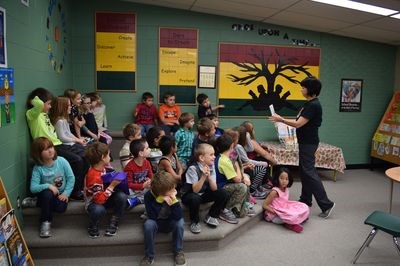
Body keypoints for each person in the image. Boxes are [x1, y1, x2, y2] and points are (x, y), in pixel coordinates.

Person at [269, 77, 335, 218]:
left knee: (309, 172)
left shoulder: (313, 105)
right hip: (306, 142)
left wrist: (281, 119)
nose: (301, 89)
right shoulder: (309, 104)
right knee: (305, 171)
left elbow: (298, 124)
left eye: (303, 87)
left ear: (310, 89)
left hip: (309, 143)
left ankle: (326, 204)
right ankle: (306, 199)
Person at [26, 88, 86, 201]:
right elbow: (38, 104)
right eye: (48, 104)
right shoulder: (32, 115)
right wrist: (35, 99)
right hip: (47, 147)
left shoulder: (44, 115)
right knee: (77, 160)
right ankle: (74, 192)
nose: (50, 106)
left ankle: (81, 187)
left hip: (57, 144)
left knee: (85, 156)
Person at [181, 144, 237, 234]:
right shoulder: (193, 168)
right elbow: (195, 190)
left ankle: (212, 216)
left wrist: (209, 177)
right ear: (202, 158)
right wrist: (203, 176)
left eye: (214, 154)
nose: (214, 157)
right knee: (195, 198)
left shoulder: (211, 166)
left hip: (202, 194)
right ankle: (194, 222)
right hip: (189, 195)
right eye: (211, 155)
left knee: (223, 193)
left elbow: (214, 188)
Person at [29, 137, 75, 238]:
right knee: (47, 194)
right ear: (38, 154)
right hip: (47, 194)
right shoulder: (38, 168)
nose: (50, 150)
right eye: (46, 149)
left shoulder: (62, 161)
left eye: (51, 147)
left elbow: (71, 178)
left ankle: (37, 202)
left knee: (61, 208)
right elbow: (33, 188)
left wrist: (66, 193)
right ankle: (45, 222)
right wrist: (48, 186)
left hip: (60, 194)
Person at [140, 170, 185, 266]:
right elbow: (152, 216)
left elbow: (178, 216)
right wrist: (159, 200)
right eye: (171, 189)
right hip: (156, 222)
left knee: (180, 222)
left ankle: (178, 252)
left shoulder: (172, 193)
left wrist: (174, 202)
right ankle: (149, 256)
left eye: (173, 187)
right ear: (161, 192)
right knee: (148, 224)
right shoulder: (148, 195)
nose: (174, 190)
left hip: (169, 222)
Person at [84, 142, 127, 238]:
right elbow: (99, 200)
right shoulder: (93, 175)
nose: (110, 157)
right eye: (108, 155)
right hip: (94, 202)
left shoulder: (102, 167)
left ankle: (114, 221)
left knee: (122, 197)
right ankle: (93, 224)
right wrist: (112, 186)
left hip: (105, 196)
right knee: (98, 210)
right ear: (103, 158)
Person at [215, 134, 252, 218]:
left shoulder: (222, 157)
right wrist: (236, 163)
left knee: (245, 179)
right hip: (220, 187)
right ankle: (226, 210)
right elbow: (238, 179)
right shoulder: (225, 160)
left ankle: (241, 206)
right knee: (241, 186)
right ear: (232, 146)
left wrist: (243, 168)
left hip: (224, 184)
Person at [262, 167, 309, 233]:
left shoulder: (286, 189)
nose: (284, 181)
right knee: (292, 216)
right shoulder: (274, 192)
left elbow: (284, 202)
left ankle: (295, 220)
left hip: (284, 209)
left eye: (286, 179)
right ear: (277, 178)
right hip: (274, 215)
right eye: (281, 178)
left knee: (304, 206)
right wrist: (277, 213)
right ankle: (290, 224)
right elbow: (264, 205)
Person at [232, 126, 270, 199]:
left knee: (261, 165)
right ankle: (253, 190)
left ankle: (257, 187)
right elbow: (247, 160)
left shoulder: (241, 145)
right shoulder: (238, 147)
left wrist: (248, 136)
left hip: (244, 166)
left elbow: (251, 149)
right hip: (242, 168)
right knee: (262, 168)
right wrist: (262, 163)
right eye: (246, 134)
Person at [124, 138, 153, 208]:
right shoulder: (129, 167)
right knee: (127, 192)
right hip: (133, 190)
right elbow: (129, 184)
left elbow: (151, 176)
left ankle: (137, 200)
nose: (150, 149)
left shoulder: (147, 163)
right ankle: (139, 199)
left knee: (155, 192)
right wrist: (142, 186)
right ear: (141, 153)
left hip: (144, 188)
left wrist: (150, 181)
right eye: (147, 148)